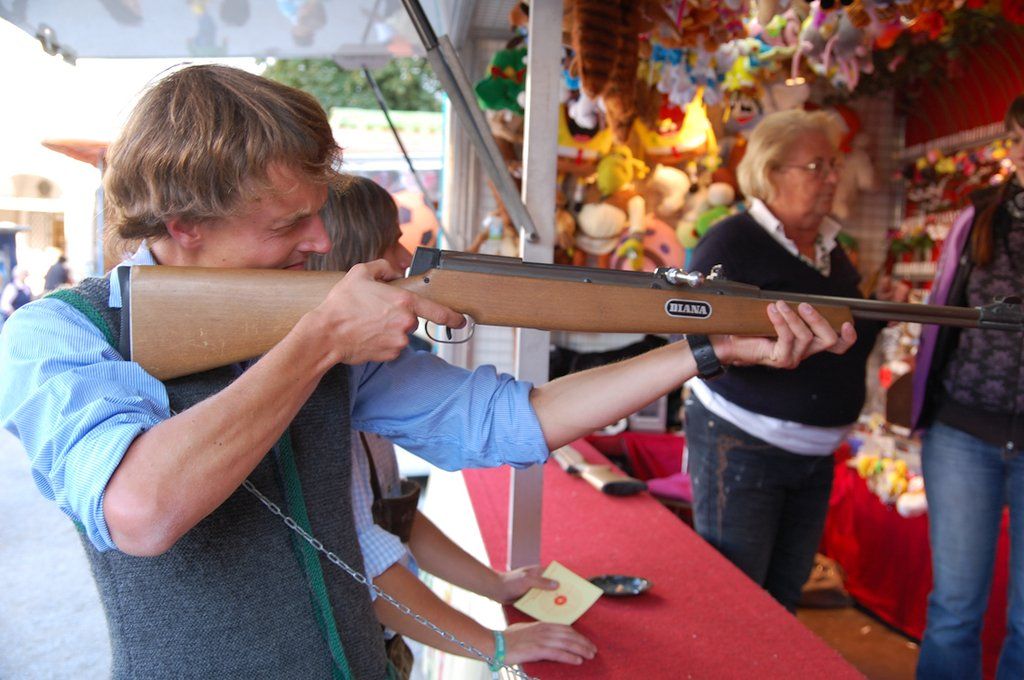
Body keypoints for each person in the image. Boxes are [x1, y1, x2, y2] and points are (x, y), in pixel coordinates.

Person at [0, 64, 854, 678]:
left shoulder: (307, 309)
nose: (321, 241)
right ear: (184, 223)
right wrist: (318, 342)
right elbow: (141, 510)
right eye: (287, 225)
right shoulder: (61, 336)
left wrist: (703, 351)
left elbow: (512, 421)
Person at [311, 173, 592, 674]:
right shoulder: (321, 394)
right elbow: (365, 564)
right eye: (388, 244)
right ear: (353, 262)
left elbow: (393, 516)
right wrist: (495, 646)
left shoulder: (357, 374)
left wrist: (496, 585)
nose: (404, 258)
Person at [683, 108, 905, 612]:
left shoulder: (831, 250)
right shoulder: (732, 242)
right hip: (743, 442)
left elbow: (839, 344)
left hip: (813, 454)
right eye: (817, 167)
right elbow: (694, 332)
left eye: (834, 165)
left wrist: (877, 313)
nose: (832, 178)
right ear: (771, 173)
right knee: (738, 601)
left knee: (783, 601)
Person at [911, 95, 1024, 680]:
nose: (1023, 153)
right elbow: (942, 312)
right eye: (1019, 139)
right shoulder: (981, 215)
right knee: (955, 609)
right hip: (963, 430)